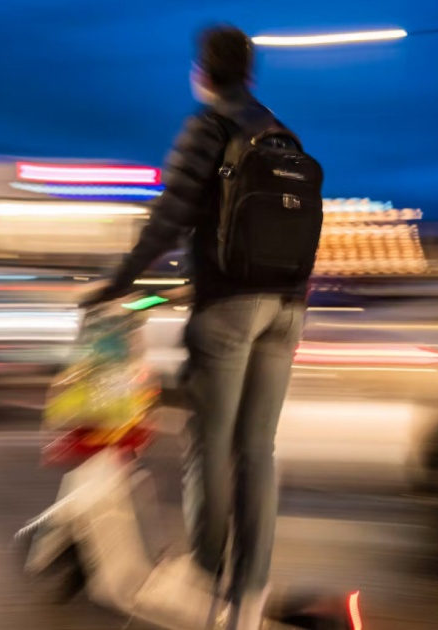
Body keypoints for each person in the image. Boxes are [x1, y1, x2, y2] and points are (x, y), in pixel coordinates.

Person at [82, 24, 313, 630]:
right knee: (257, 450)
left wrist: (117, 283)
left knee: (210, 444)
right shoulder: (282, 135)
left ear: (202, 73)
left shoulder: (209, 126)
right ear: (250, 74)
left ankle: (205, 579)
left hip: (230, 307)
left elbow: (169, 218)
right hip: (288, 308)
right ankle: (250, 593)